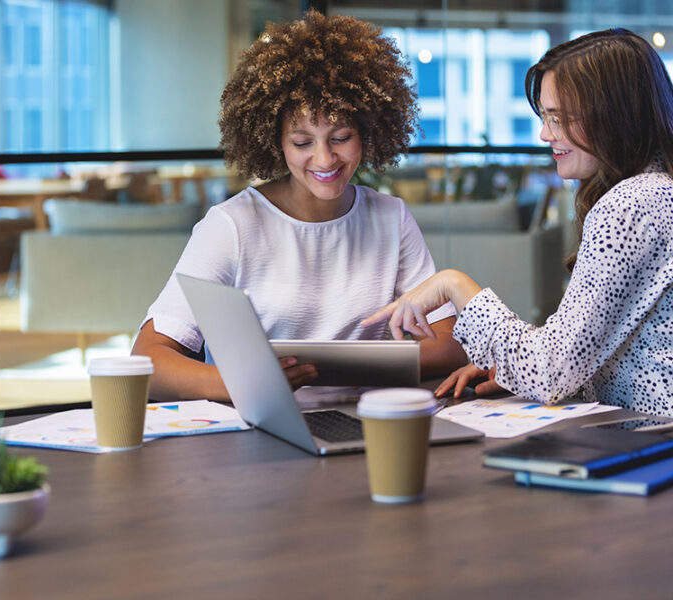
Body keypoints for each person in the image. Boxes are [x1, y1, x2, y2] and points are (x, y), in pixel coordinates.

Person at [132, 9, 467, 402]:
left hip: (366, 422)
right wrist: (243, 383)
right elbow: (148, 361)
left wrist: (337, 368)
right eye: (303, 142)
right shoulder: (231, 226)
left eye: (341, 137)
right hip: (263, 428)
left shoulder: (390, 218)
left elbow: (449, 345)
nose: (325, 160)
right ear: (275, 141)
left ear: (368, 132)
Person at [362, 28, 673, 416]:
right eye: (546, 117)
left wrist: (454, 285)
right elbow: (582, 348)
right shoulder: (657, 193)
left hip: (650, 443)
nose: (545, 134)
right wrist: (510, 368)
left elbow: (549, 372)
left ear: (615, 118)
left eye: (560, 119)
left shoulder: (632, 204)